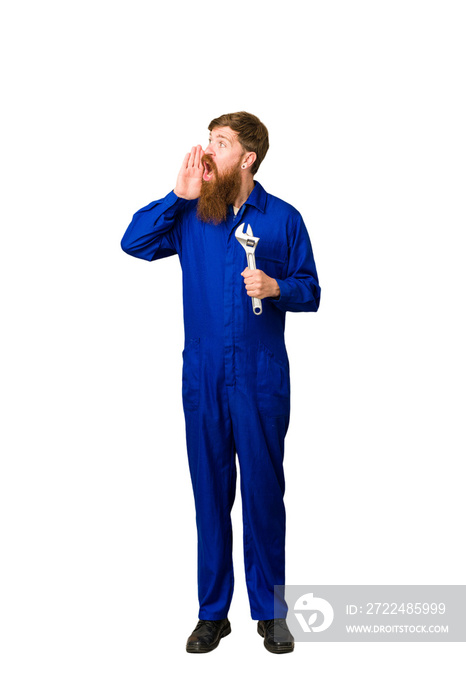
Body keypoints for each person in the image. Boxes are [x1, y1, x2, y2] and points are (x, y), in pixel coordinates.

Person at [121, 111, 320, 654]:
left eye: (221, 142)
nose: (208, 149)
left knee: (263, 495)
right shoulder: (191, 216)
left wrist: (278, 284)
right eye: (208, 139)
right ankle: (213, 613)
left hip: (259, 379)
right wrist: (177, 194)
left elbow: (312, 289)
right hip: (203, 376)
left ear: (248, 157)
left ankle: (271, 614)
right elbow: (132, 242)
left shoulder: (283, 219)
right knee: (209, 494)